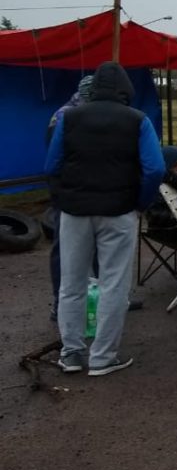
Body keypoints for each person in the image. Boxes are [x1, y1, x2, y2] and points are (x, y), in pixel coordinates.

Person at [44, 61, 165, 376]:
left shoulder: (68, 118)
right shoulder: (138, 121)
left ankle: (71, 354)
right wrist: (139, 202)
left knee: (72, 283)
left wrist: (62, 199)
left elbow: (51, 166)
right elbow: (155, 168)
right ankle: (103, 357)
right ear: (126, 89)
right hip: (119, 212)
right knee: (113, 284)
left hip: (73, 211)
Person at [44, 74, 94, 321]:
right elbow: (56, 161)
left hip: (85, 191)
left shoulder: (70, 112)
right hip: (68, 192)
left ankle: (101, 298)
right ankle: (59, 303)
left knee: (95, 246)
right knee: (64, 248)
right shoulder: (65, 117)